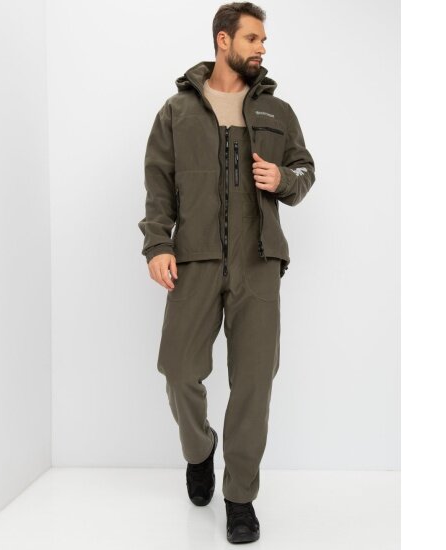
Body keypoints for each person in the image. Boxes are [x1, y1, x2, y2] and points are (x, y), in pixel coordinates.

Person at [138, 2, 316, 544]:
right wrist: (157, 244)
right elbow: (158, 184)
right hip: (193, 260)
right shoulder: (177, 111)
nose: (262, 48)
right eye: (253, 38)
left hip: (258, 262)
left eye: (264, 40)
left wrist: (283, 178)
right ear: (223, 40)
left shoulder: (277, 111)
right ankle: (200, 450)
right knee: (178, 369)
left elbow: (305, 170)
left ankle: (240, 497)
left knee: (254, 384)